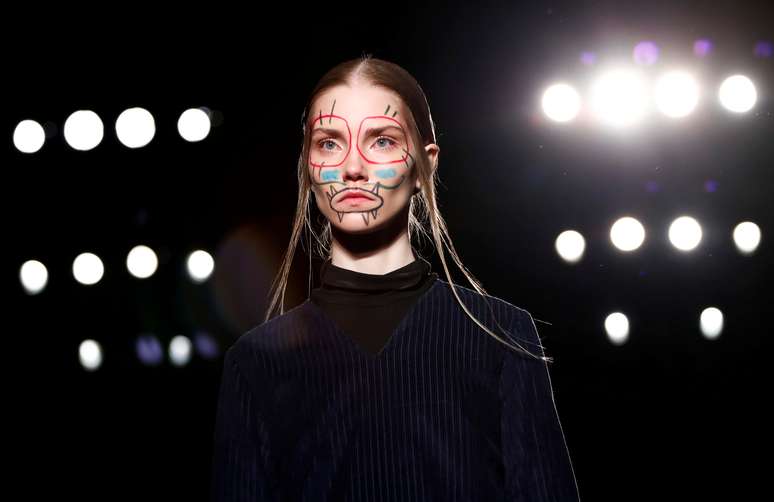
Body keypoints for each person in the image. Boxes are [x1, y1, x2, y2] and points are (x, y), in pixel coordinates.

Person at [210, 54, 581, 501]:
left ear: (425, 166)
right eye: (329, 142)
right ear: (308, 163)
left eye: (382, 141)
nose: (352, 167)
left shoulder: (501, 337)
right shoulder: (256, 362)